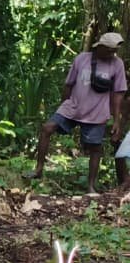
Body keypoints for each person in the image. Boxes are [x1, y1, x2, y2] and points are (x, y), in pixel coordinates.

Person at [24, 32, 126, 193]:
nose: (111, 54)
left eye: (113, 51)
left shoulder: (117, 64)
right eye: (108, 50)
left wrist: (117, 120)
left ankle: (91, 186)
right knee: (47, 128)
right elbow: (69, 84)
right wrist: (63, 106)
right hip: (73, 106)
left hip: (97, 112)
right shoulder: (82, 59)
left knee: (95, 148)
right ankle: (38, 169)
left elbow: (118, 93)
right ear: (99, 47)